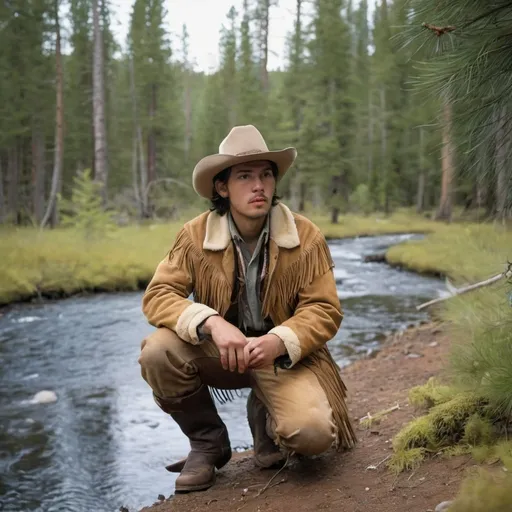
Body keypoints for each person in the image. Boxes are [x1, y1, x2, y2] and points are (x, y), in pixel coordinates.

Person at [139, 124, 357, 493]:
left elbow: (323, 309)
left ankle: (265, 416)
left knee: (313, 436)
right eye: (244, 177)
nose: (259, 186)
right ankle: (208, 444)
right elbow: (159, 295)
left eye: (266, 175)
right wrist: (210, 322)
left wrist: (279, 340)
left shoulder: (306, 236)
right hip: (222, 353)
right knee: (158, 352)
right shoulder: (194, 236)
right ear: (221, 187)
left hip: (283, 358)